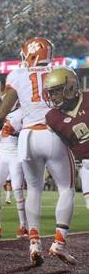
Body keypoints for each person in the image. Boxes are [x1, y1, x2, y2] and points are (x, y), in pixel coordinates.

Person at [0, 38, 76, 266]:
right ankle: (58, 242)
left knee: (34, 190)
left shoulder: (17, 75)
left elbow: (1, 114)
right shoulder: (64, 70)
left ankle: (34, 242)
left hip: (28, 138)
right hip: (53, 133)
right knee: (66, 188)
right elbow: (73, 103)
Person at [44, 67, 89, 211]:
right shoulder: (52, 118)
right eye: (50, 93)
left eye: (56, 91)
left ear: (70, 87)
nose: (52, 97)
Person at [0, 106, 28, 238]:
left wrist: (16, 133)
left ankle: (23, 227)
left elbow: (31, 133)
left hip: (16, 154)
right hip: (1, 154)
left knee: (18, 189)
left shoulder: (25, 111)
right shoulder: (3, 113)